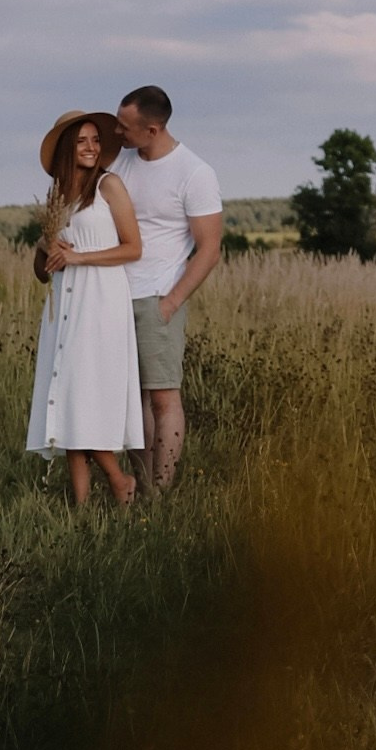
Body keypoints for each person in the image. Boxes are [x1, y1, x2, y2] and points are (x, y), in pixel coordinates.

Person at [26, 107, 144, 508]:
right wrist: (46, 247)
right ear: (66, 148)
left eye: (96, 140)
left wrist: (79, 258)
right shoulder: (56, 197)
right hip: (63, 308)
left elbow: (133, 248)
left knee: (86, 396)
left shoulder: (109, 186)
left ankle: (117, 479)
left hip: (101, 303)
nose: (92, 147)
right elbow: (43, 272)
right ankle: (81, 512)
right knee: (69, 398)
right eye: (82, 141)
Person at [112, 83, 223, 495]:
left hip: (156, 297)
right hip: (114, 297)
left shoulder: (194, 172)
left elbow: (209, 249)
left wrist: (172, 302)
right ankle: (142, 485)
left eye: (125, 127)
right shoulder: (122, 163)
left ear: (153, 129)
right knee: (131, 401)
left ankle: (161, 490)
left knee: (162, 398)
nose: (118, 134)